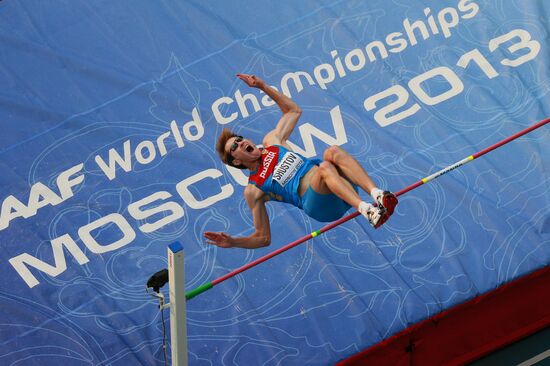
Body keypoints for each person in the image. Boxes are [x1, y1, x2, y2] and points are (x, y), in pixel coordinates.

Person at [204, 74, 398, 249]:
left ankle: (378, 195)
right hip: (320, 205)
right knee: (325, 167)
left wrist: (263, 87)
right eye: (234, 147)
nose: (240, 143)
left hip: (342, 189)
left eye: (239, 139)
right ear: (237, 161)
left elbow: (293, 111)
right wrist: (233, 242)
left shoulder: (272, 141)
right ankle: (368, 211)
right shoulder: (253, 189)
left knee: (332, 152)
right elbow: (263, 238)